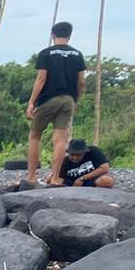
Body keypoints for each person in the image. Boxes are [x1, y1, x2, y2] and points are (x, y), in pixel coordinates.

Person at [27, 21, 87, 186]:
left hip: (48, 98)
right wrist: (76, 99)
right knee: (60, 139)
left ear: (53, 35)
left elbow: (41, 78)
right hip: (68, 99)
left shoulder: (46, 53)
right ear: (69, 35)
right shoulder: (77, 54)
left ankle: (31, 176)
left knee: (35, 136)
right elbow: (81, 82)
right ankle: (55, 178)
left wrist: (32, 101)